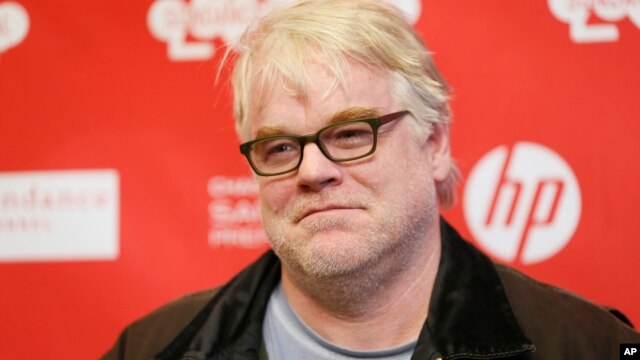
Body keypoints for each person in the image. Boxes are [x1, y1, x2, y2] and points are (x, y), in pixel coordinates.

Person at [103, 1, 640, 359]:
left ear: (434, 144)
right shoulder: (152, 350)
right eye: (281, 146)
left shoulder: (587, 346)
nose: (312, 171)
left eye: (351, 133)